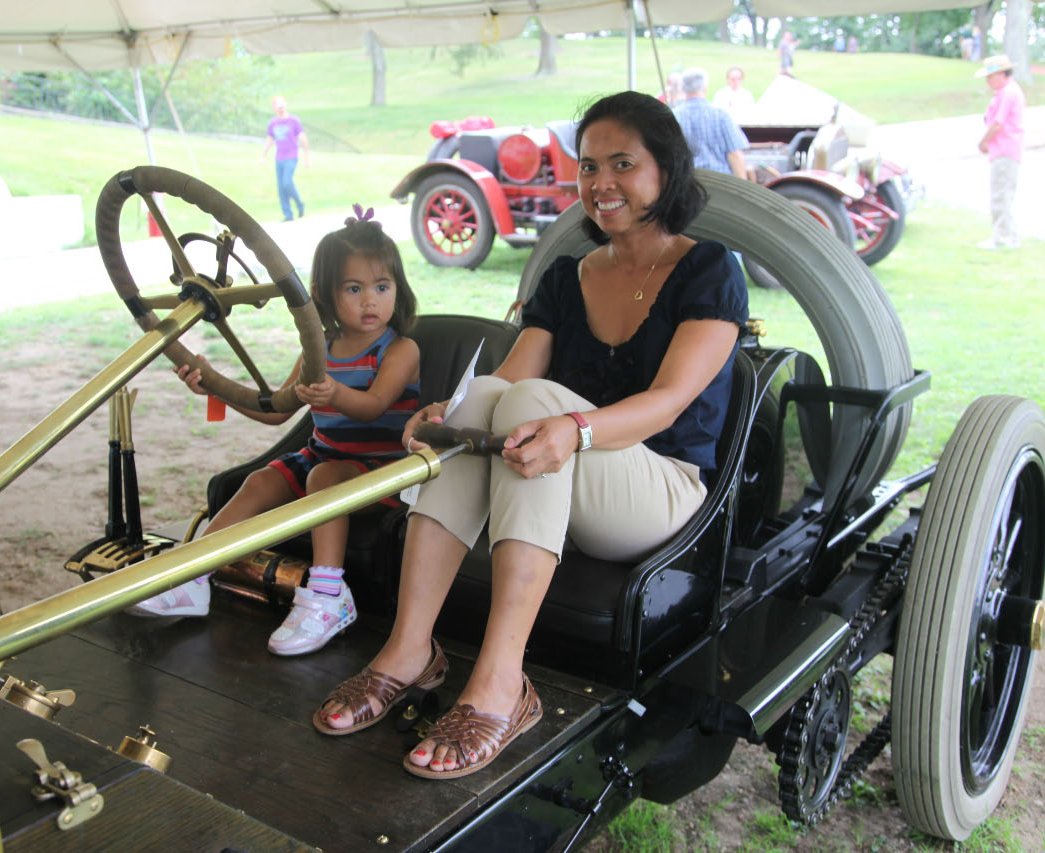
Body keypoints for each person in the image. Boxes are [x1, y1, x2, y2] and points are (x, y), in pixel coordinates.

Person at [312, 91, 749, 780]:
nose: (600, 182)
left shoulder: (710, 269)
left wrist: (573, 428)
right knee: (489, 399)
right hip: (567, 470)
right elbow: (508, 382)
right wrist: (446, 416)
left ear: (665, 169)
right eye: (588, 166)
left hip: (661, 488)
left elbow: (668, 404)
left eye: (622, 164)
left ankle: (502, 683)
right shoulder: (568, 276)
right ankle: (408, 649)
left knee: (533, 402)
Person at [129, 208, 422, 655]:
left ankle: (328, 596)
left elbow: (374, 406)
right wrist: (214, 385)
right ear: (322, 295)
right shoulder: (319, 349)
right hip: (323, 456)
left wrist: (334, 393)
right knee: (260, 480)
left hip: (384, 470)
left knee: (324, 477)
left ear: (398, 288)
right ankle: (193, 576)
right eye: (354, 289)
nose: (370, 301)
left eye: (382, 287)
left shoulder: (401, 349)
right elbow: (275, 412)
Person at [975, 55, 1025, 250]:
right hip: (1004, 149)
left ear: (1002, 74)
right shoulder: (1006, 92)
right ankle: (1010, 236)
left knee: (1000, 196)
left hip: (1005, 150)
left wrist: (983, 142)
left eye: (991, 76)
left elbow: (998, 124)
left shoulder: (1008, 93)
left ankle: (1002, 238)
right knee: (1003, 195)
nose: (988, 81)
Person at [674, 67, 751, 179]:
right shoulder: (721, 115)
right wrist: (742, 186)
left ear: (683, 88)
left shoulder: (674, 116)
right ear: (705, 86)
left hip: (686, 182)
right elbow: (735, 154)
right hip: (720, 183)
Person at [265, 95, 309, 221]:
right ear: (274, 108)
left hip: (291, 156)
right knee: (281, 187)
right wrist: (263, 154)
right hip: (279, 157)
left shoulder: (294, 120)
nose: (281, 108)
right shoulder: (273, 123)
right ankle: (288, 214)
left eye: (282, 106)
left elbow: (303, 138)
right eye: (278, 107)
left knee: (287, 182)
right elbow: (270, 139)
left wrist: (307, 157)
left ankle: (300, 204)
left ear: (285, 105)